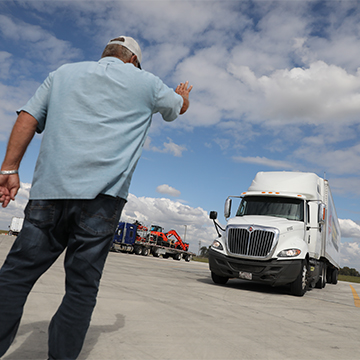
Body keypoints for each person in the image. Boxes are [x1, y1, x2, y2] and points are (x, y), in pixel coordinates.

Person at [0, 35, 192, 359]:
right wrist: (182, 96)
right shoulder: (146, 83)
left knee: (15, 277)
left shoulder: (62, 74)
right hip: (102, 202)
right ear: (133, 60)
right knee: (80, 288)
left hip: (48, 196)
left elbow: (27, 118)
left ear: (106, 54)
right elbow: (177, 109)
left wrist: (9, 170)